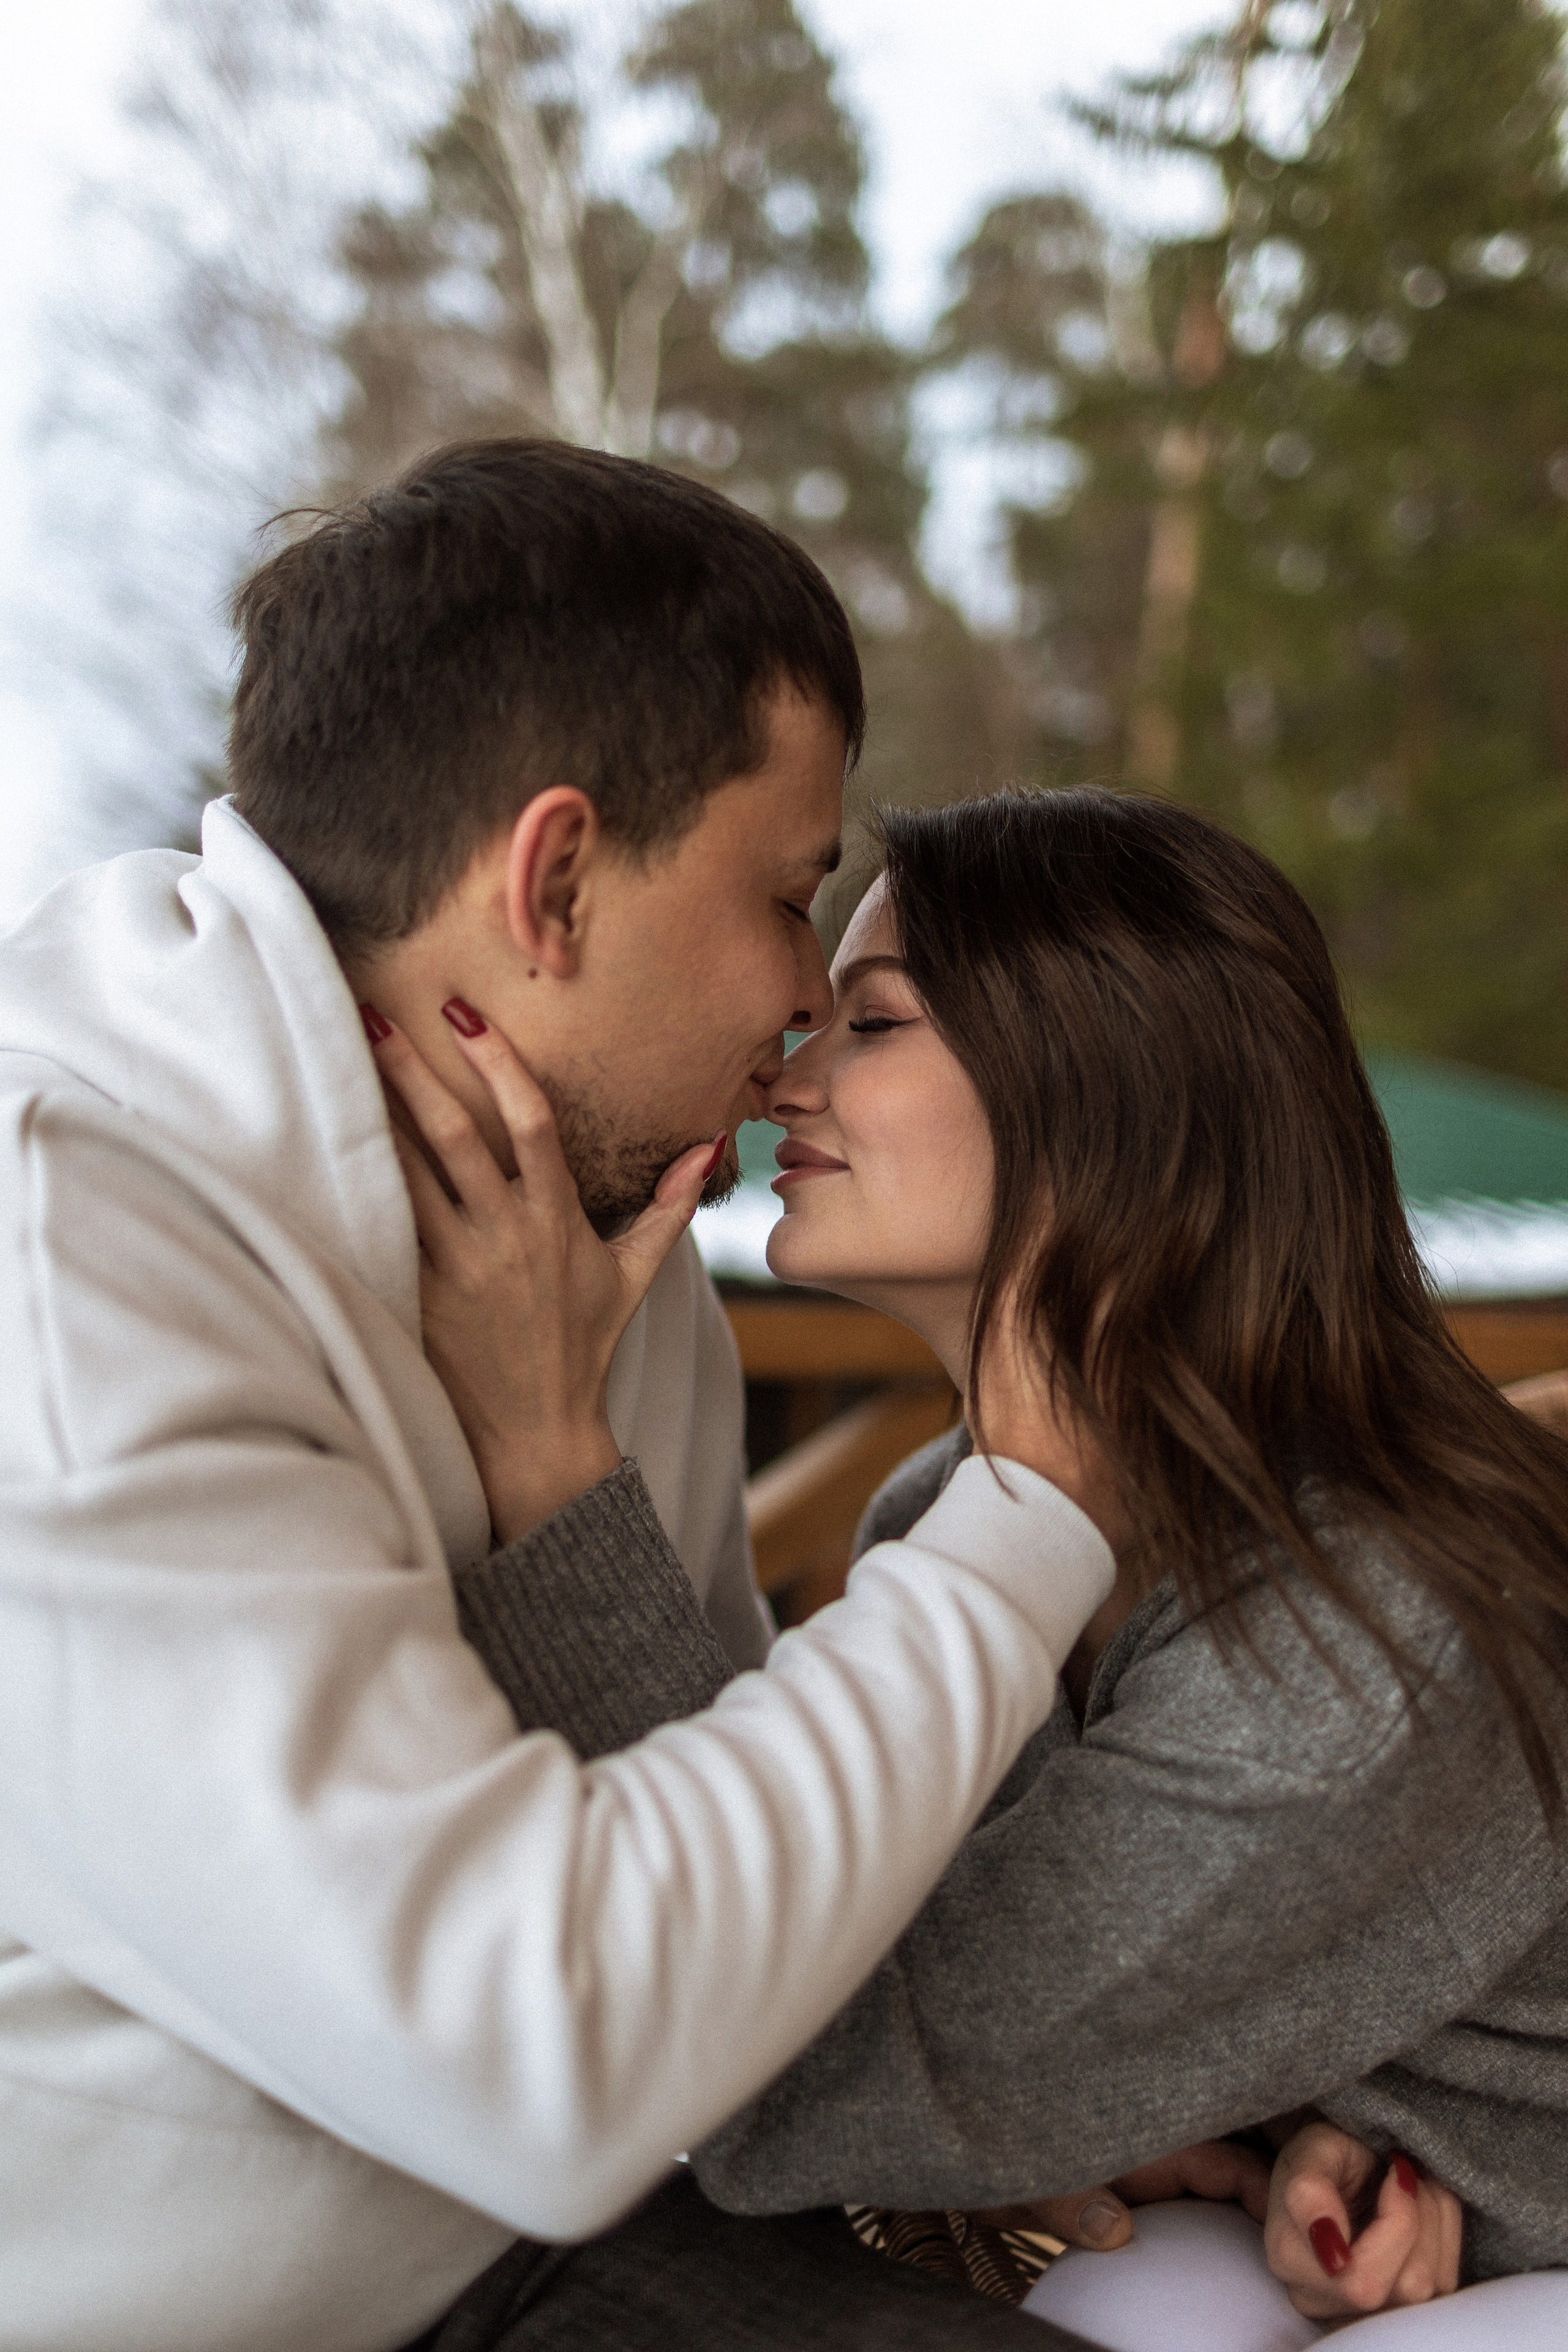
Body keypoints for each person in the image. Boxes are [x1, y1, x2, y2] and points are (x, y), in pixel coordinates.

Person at [0, 442, 1129, 2352]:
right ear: (553, 878)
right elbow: (551, 2056)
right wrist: (1029, 1513)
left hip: (518, 2236)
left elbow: (698, 1813)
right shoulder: (70, 1270)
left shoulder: (588, 1232)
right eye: (789, 895)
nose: (800, 999)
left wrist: (966, 2110)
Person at [384, 785, 1568, 2348]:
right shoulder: (940, 1522)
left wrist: (548, 1460)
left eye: (871, 1026)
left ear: (1104, 1094)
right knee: (1133, 2297)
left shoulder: (1360, 1631)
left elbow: (774, 2064)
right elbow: (834, 1969)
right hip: (1372, 2227)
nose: (787, 1079)